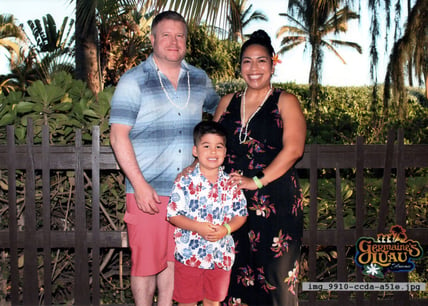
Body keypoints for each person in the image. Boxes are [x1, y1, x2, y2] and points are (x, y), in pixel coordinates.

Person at [109, 11, 219, 306]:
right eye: (166, 35)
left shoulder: (199, 78)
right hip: (148, 192)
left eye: (180, 35)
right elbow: (118, 136)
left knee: (174, 262)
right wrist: (139, 185)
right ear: (152, 39)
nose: (174, 41)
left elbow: (219, 110)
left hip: (187, 194)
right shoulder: (133, 81)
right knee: (145, 266)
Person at [213, 30, 306, 306]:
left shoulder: (285, 101)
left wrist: (256, 181)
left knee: (277, 283)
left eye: (261, 61)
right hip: (233, 207)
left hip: (275, 205)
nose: (254, 68)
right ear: (240, 66)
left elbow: (294, 150)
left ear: (272, 64)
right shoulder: (227, 102)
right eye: (247, 61)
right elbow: (211, 146)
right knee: (236, 281)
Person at [167, 121, 248, 306]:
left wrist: (226, 229)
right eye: (207, 146)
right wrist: (198, 227)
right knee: (186, 301)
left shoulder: (231, 183)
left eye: (219, 147)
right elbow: (172, 214)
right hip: (189, 255)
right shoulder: (184, 181)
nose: (213, 152)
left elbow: (241, 214)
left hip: (220, 255)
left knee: (213, 302)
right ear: (195, 151)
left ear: (225, 152)